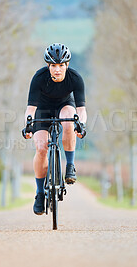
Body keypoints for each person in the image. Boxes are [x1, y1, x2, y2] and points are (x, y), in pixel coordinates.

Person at [22, 43, 87, 215]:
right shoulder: (39, 78)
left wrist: (81, 124)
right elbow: (30, 109)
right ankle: (40, 192)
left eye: (60, 65)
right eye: (53, 66)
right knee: (41, 147)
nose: (57, 70)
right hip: (42, 109)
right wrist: (28, 125)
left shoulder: (75, 78)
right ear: (48, 66)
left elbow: (81, 110)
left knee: (69, 121)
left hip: (64, 106)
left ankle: (70, 165)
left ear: (67, 65)